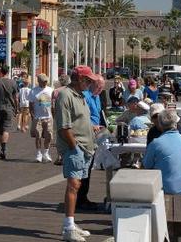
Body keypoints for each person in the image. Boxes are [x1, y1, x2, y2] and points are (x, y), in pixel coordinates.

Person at [55, 66, 98, 241]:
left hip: (85, 146)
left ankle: (71, 224)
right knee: (73, 185)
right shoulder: (66, 95)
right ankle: (68, 227)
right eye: (88, 80)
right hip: (76, 147)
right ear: (79, 79)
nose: (91, 83)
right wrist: (74, 147)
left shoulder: (80, 96)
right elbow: (63, 126)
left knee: (77, 185)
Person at [143, 109, 181, 194]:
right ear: (175, 124)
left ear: (160, 125)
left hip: (166, 189)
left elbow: (147, 166)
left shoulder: (156, 143)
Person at [76, 75, 106, 211]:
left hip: (95, 134)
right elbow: (82, 116)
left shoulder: (97, 96)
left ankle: (83, 197)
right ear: (93, 84)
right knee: (83, 167)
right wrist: (91, 126)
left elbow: (98, 113)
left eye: (102, 88)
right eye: (99, 87)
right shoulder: (85, 96)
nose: (100, 90)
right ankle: (79, 199)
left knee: (89, 166)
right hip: (86, 133)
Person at [0, 65, 19, 160]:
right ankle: (4, 148)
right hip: (9, 108)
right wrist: (17, 108)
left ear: (1, 71)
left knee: (0, 130)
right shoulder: (13, 82)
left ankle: (2, 148)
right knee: (6, 129)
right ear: (8, 72)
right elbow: (16, 98)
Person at [28, 74, 53, 162]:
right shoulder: (33, 91)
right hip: (38, 117)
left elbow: (53, 104)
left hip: (49, 117)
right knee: (38, 136)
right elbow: (30, 105)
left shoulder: (51, 90)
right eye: (43, 81)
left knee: (49, 136)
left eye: (46, 81)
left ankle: (46, 153)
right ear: (39, 81)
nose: (45, 83)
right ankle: (38, 154)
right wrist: (32, 116)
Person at [52, 74, 71, 165]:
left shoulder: (55, 91)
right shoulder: (70, 91)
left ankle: (60, 156)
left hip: (58, 116)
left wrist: (54, 115)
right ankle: (67, 155)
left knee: (59, 136)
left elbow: (52, 106)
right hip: (69, 116)